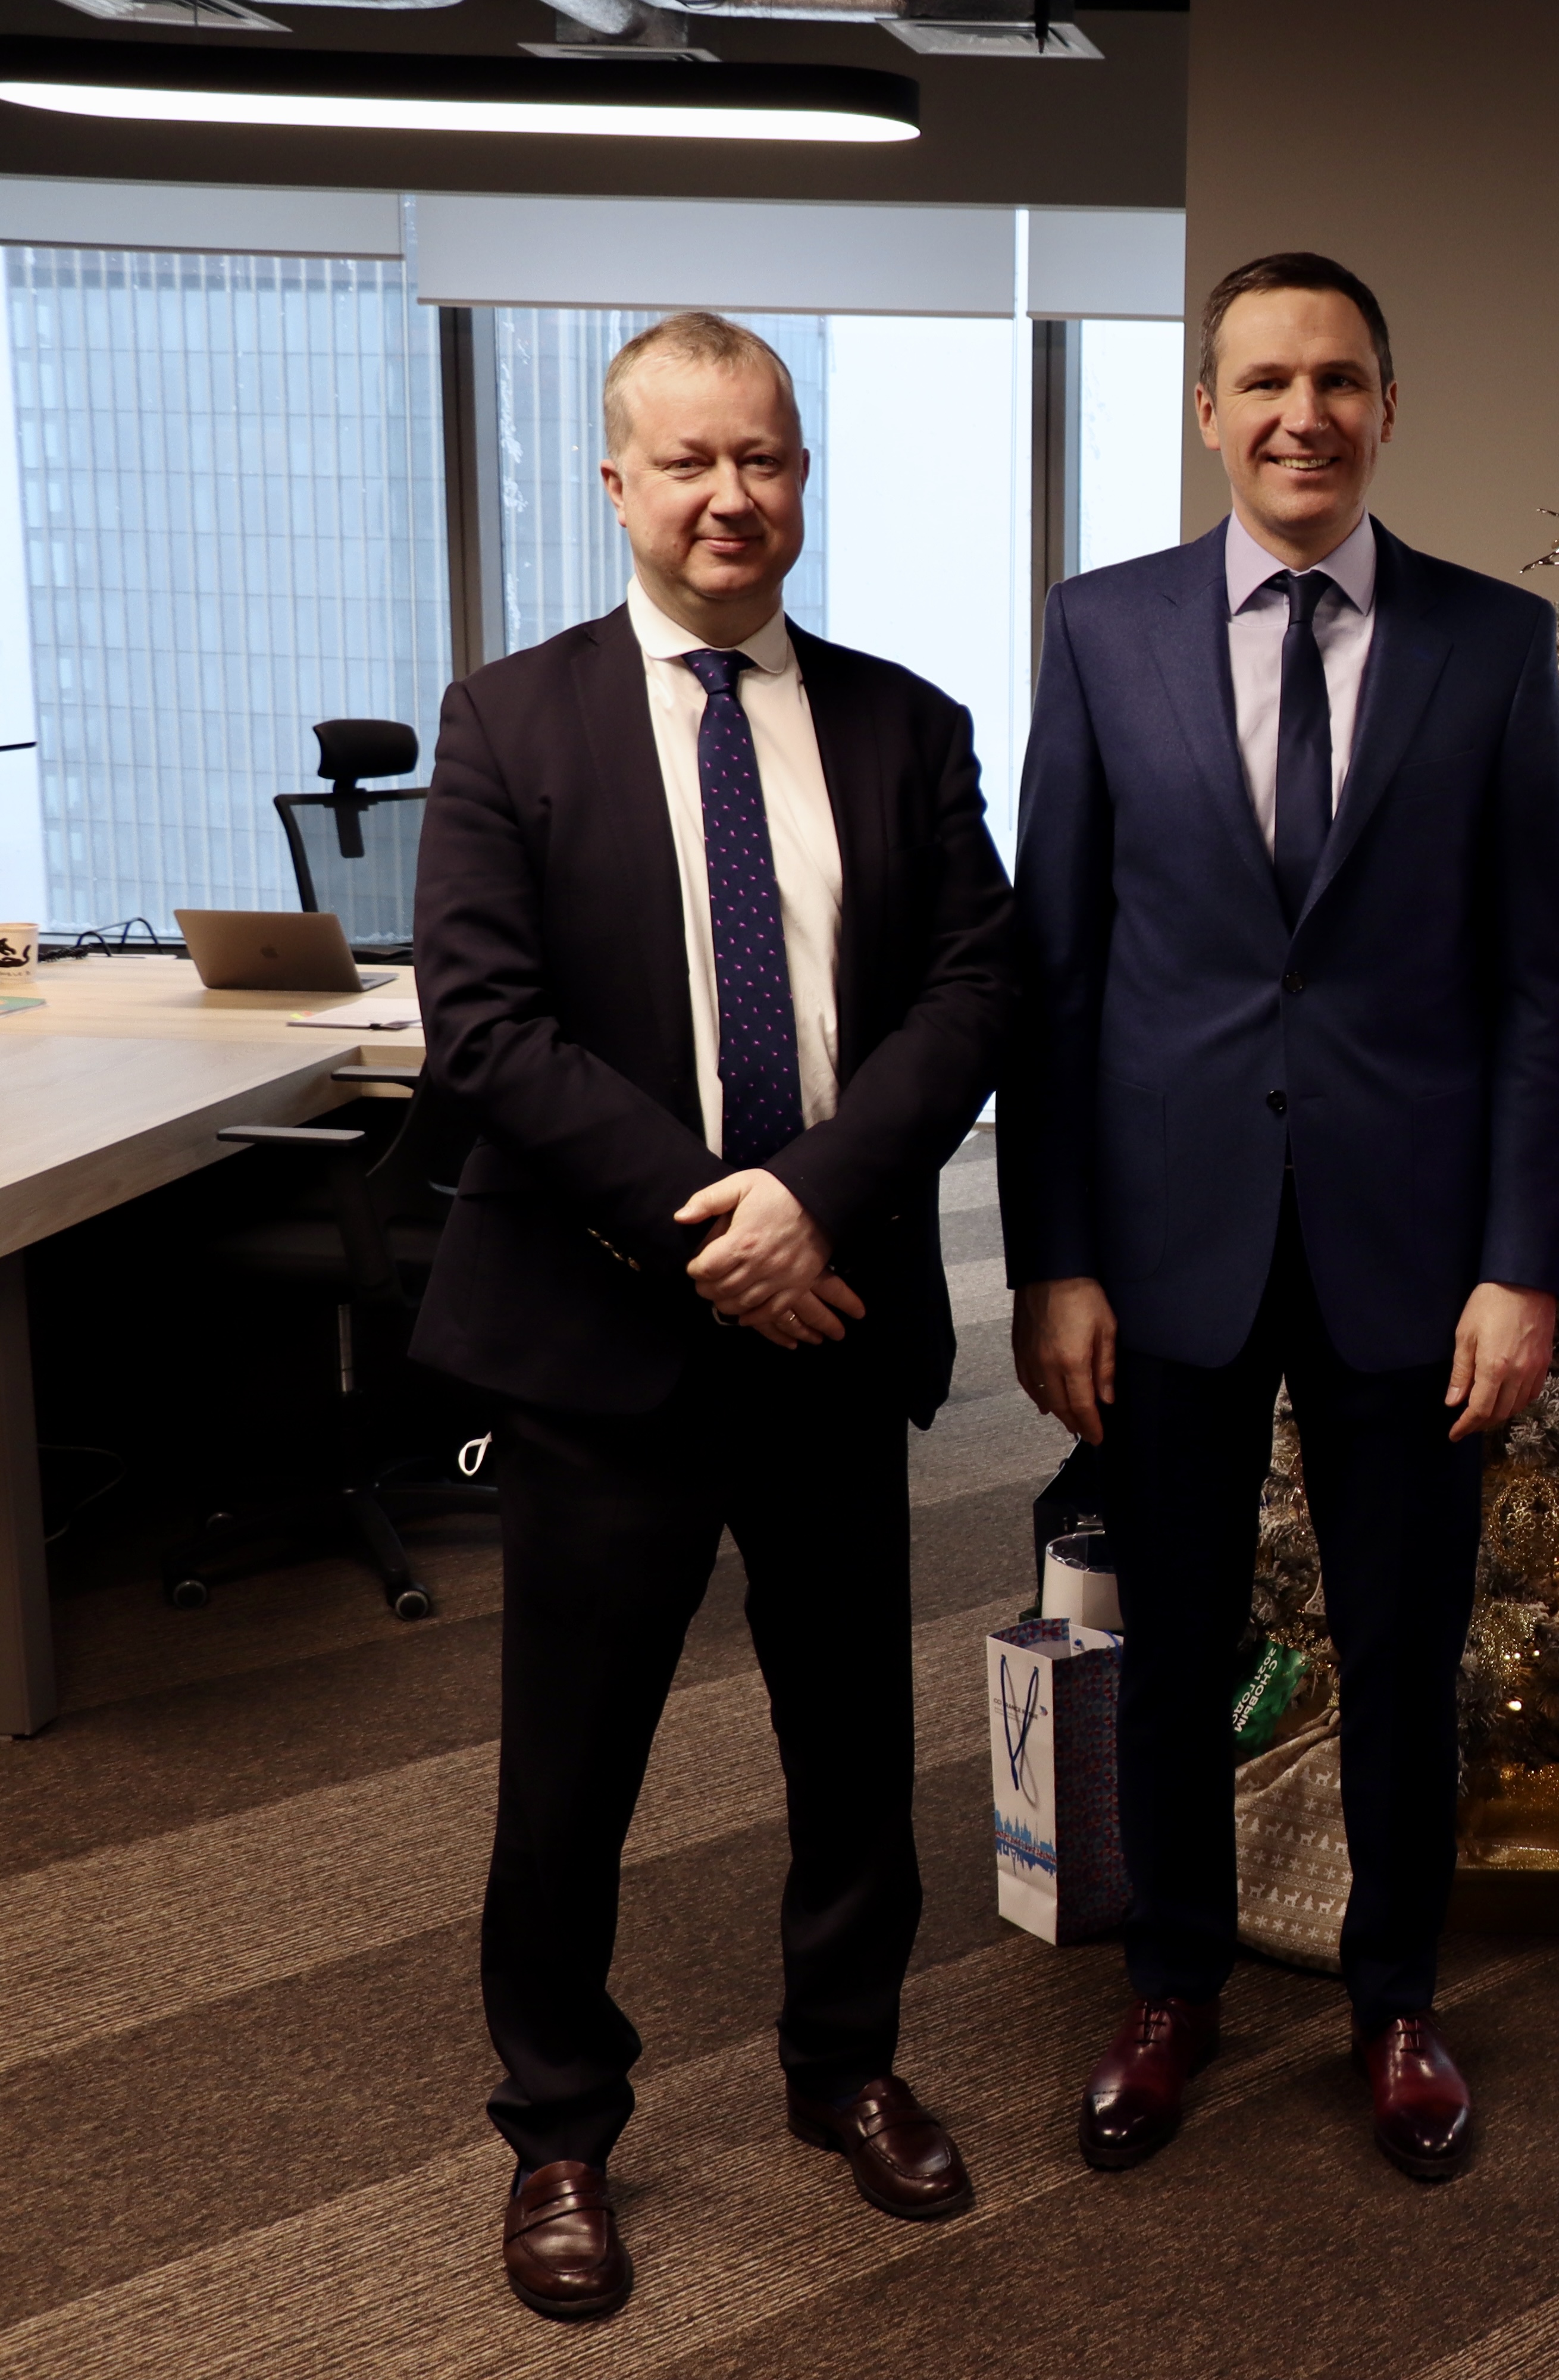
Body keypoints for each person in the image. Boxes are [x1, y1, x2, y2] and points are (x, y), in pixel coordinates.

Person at [414, 311, 1015, 2321]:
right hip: (605, 1342)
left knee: (852, 1740)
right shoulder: (510, 723)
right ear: (618, 485)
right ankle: (559, 2125)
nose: (728, 496)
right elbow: (485, 1030)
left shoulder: (908, 728)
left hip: (830, 1320)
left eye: (760, 457)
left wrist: (813, 1201)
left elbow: (979, 992)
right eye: (686, 462)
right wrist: (713, 1228)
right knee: (570, 1767)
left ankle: (846, 2067)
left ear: (801, 476)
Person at [1003, 252, 1559, 2185]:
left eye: (1338, 379)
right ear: (1208, 412)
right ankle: (1172, 1984)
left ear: (1388, 409)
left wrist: (1521, 1263)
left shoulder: (1492, 644)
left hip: (1413, 1252)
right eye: (1263, 380)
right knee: (1172, 1639)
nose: (1301, 414)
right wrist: (1053, 1256)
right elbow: (1056, 975)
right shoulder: (1103, 632)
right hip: (1165, 1240)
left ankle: (1397, 1998)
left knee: (1405, 1645)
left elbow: (1533, 986)